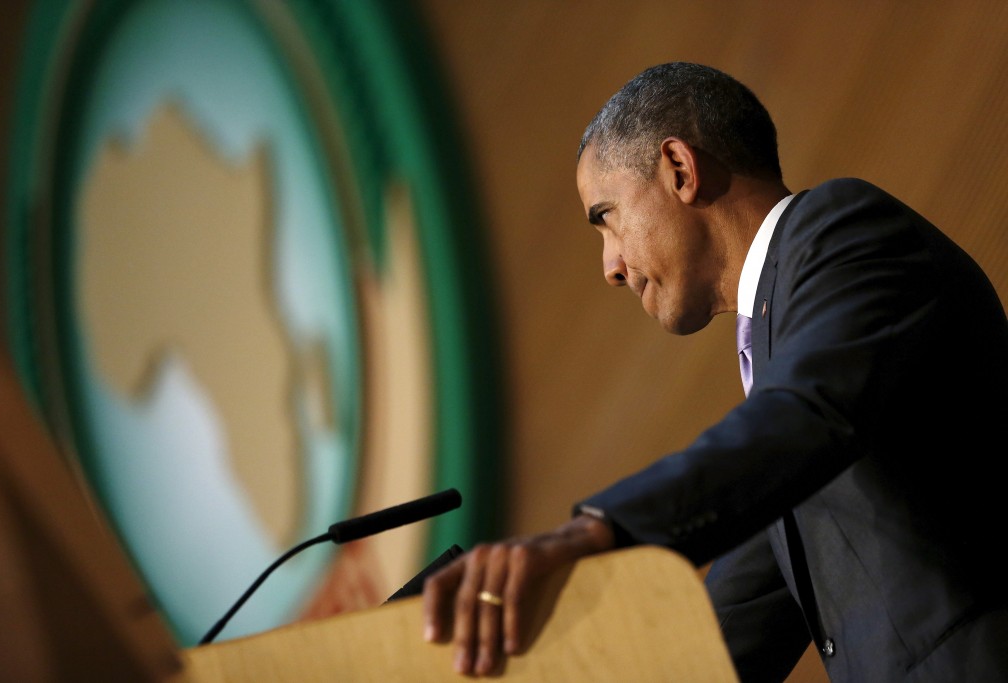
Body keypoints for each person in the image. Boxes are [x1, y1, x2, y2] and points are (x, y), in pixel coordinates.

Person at [421, 62, 1008, 682]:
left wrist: (594, 534)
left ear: (679, 169)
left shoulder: (845, 229)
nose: (610, 266)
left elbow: (802, 417)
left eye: (608, 218)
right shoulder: (778, 381)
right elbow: (722, 635)